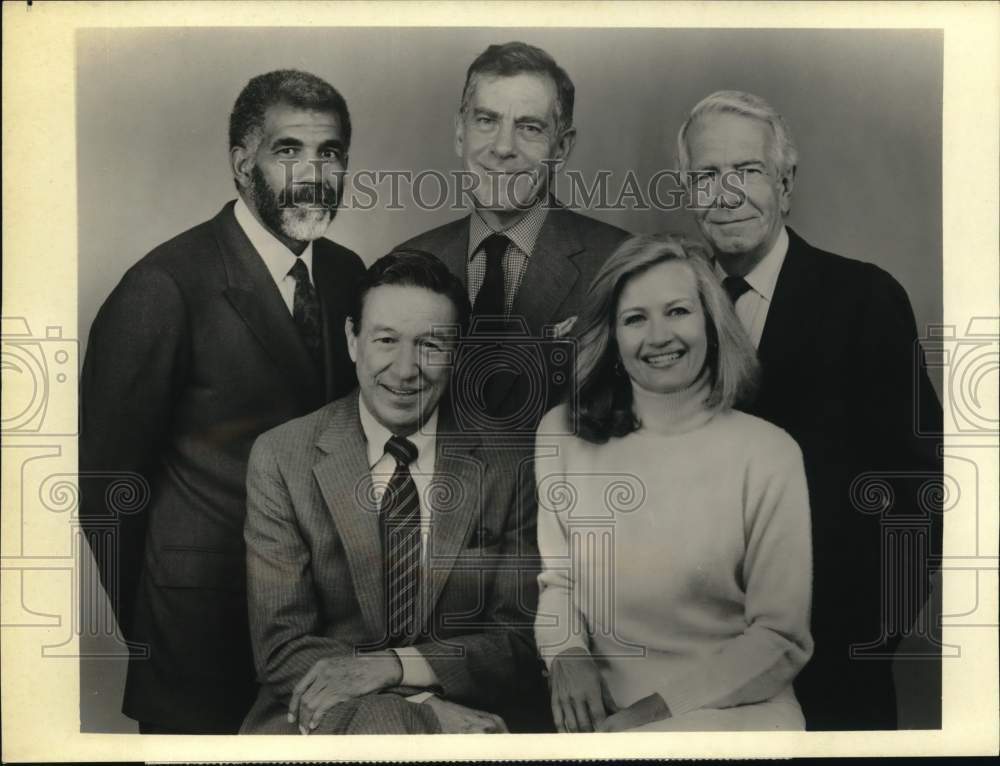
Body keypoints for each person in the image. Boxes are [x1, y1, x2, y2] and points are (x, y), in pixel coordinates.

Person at [79, 69, 365, 733]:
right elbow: (105, 490)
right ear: (242, 164)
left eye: (331, 152)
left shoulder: (350, 274)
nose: (314, 172)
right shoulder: (162, 287)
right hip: (200, 640)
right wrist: (161, 617)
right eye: (288, 151)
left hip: (326, 634)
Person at [676, 90, 944, 730]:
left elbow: (919, 485)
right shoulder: (668, 311)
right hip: (696, 663)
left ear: (786, 183)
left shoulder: (864, 297)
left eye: (747, 171)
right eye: (707, 175)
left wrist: (873, 634)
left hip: (834, 665)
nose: (727, 192)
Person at [240, 250, 543, 735]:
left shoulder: (511, 462)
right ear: (352, 340)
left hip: (477, 712)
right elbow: (283, 647)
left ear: (457, 350)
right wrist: (421, 707)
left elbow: (518, 640)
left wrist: (398, 665)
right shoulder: (282, 457)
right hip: (321, 715)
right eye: (386, 340)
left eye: (430, 345)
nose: (406, 370)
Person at [534, 234, 813, 732]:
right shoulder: (563, 434)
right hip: (602, 715)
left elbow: (779, 639)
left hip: (737, 713)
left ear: (711, 321)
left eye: (678, 312)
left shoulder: (769, 453)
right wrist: (565, 652)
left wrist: (652, 713)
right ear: (613, 337)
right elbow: (560, 583)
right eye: (635, 318)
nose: (658, 336)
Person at [399, 41, 629, 433]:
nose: (503, 148)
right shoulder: (408, 261)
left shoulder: (620, 262)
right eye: (486, 120)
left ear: (562, 147)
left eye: (530, 128)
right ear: (460, 133)